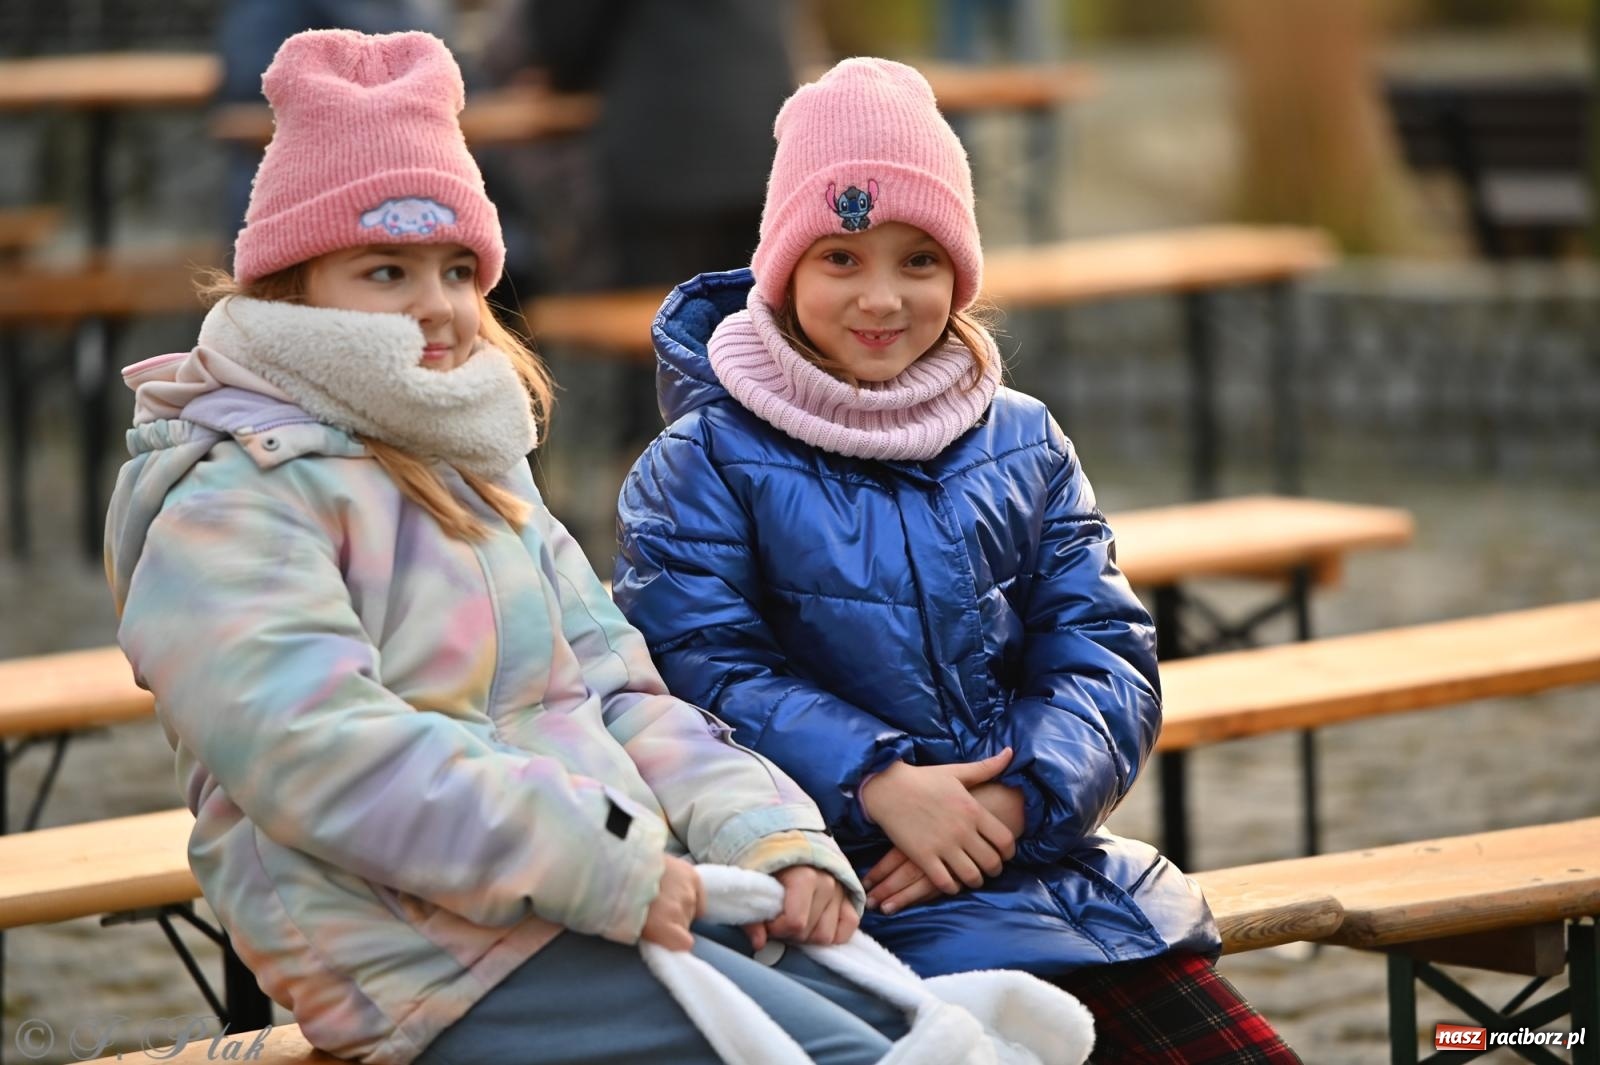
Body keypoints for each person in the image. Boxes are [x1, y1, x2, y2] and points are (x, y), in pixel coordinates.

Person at [104, 30, 925, 1065]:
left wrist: (765, 831)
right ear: (291, 287)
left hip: (597, 893)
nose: (437, 307)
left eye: (458, 269)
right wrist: (608, 857)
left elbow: (618, 694)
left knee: (906, 1026)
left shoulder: (471, 457)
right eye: (385, 269)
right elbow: (321, 752)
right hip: (421, 956)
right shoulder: (232, 499)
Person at [613, 58, 1304, 1064]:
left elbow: (1103, 646)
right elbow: (696, 666)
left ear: (962, 273)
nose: (881, 298)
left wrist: (1016, 800)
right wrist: (879, 781)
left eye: (918, 261)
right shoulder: (703, 461)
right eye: (840, 258)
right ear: (783, 270)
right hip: (841, 899)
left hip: (1043, 871)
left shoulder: (1021, 438)